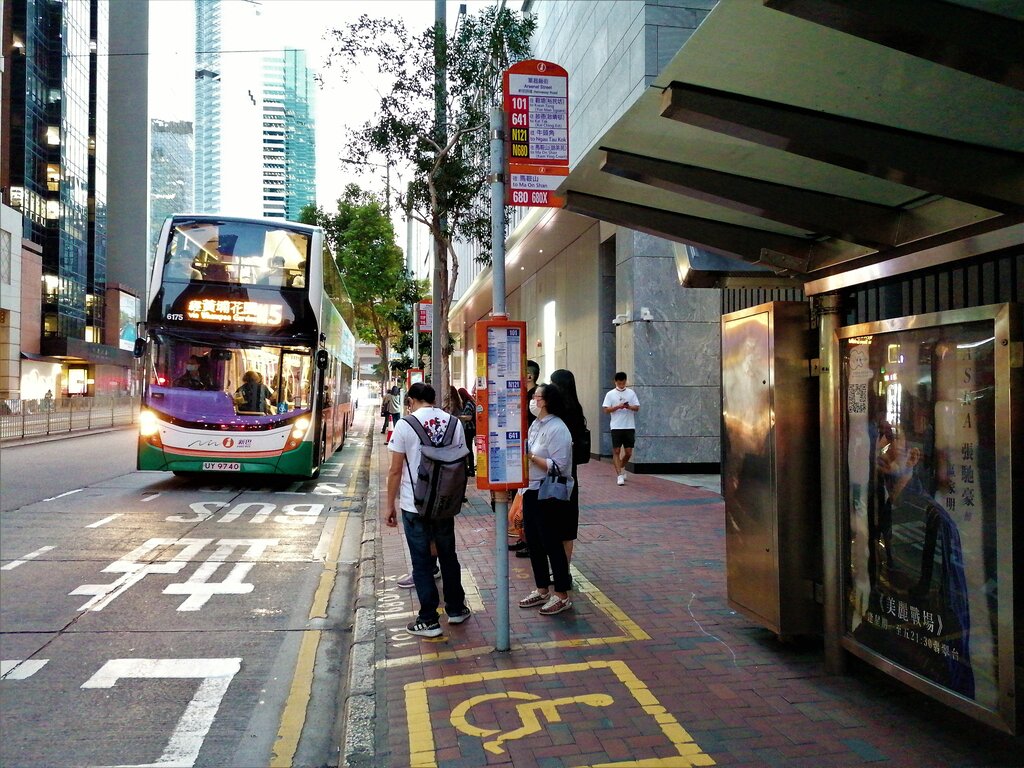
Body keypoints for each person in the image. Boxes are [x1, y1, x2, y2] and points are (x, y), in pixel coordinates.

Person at [386, 382, 472, 637]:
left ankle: (428, 619)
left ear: (411, 400)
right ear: (433, 399)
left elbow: (394, 470)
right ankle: (456, 609)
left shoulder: (405, 425)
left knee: (421, 561)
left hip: (415, 504)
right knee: (448, 555)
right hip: (445, 503)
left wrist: (389, 504)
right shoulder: (454, 423)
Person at [518, 383, 575, 616]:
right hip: (531, 490)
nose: (533, 400)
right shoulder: (536, 425)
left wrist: (530, 456)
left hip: (548, 493)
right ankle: (541, 589)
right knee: (534, 543)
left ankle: (561, 594)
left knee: (552, 543)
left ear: (546, 401)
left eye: (537, 396)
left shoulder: (558, 428)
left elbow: (559, 466)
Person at [550, 369, 587, 562]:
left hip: (553, 471)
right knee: (568, 524)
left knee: (554, 522)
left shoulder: (556, 412)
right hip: (571, 472)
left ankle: (557, 569)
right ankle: (564, 570)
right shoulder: (576, 408)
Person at [602, 371, 640, 485]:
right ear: (615, 382)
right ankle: (619, 475)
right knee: (616, 450)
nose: (621, 385)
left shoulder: (631, 393)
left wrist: (628, 407)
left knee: (628, 452)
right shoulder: (610, 394)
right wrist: (617, 407)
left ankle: (622, 466)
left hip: (629, 425)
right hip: (616, 426)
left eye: (623, 383)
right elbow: (606, 410)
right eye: (619, 383)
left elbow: (637, 407)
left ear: (625, 381)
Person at [457, 387, 477, 478]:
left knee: (468, 449)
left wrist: (459, 417)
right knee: (469, 449)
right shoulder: (471, 402)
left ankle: (471, 469)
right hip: (472, 428)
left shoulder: (468, 404)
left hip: (469, 428)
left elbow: (469, 417)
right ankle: (471, 468)